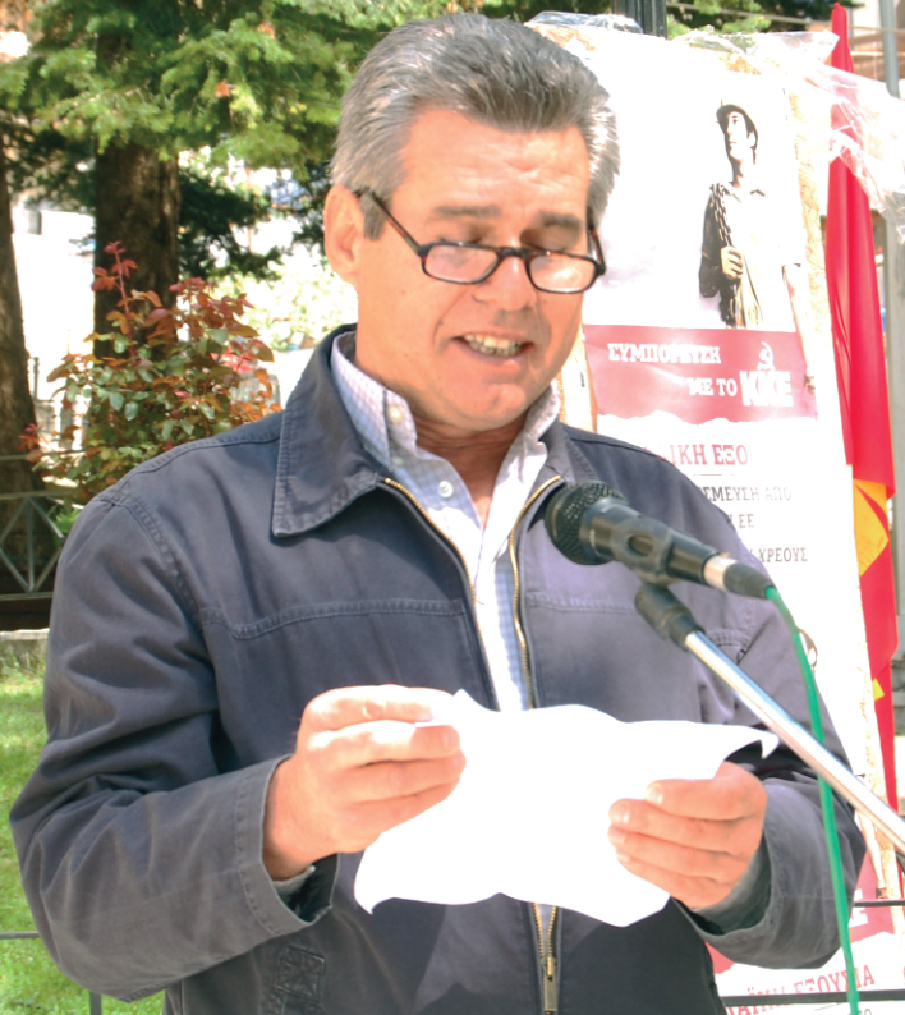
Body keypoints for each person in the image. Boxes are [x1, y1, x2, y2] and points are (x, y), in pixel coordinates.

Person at [12, 15, 861, 1015]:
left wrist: (748, 866)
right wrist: (280, 821)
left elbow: (825, 836)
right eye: (460, 243)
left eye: (553, 248)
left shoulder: (657, 516)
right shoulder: (172, 533)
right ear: (347, 231)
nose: (511, 294)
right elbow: (85, 911)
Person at [699, 102, 817, 387]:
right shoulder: (717, 201)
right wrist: (718, 268)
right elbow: (705, 284)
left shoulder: (776, 198)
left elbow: (796, 286)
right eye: (726, 126)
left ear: (752, 136)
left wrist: (811, 364)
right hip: (733, 347)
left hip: (772, 344)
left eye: (735, 122)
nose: (729, 132)